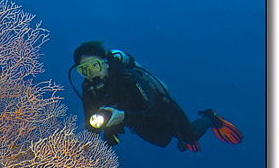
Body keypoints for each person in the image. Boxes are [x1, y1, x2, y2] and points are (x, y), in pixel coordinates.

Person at [68, 40, 243, 152]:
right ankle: (182, 138)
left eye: (94, 66)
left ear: (105, 63)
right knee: (163, 142)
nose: (91, 74)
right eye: (84, 70)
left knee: (189, 136)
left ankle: (211, 118)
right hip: (137, 121)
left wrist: (123, 117)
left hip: (163, 110)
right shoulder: (89, 91)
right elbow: (91, 130)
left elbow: (154, 111)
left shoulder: (128, 79)